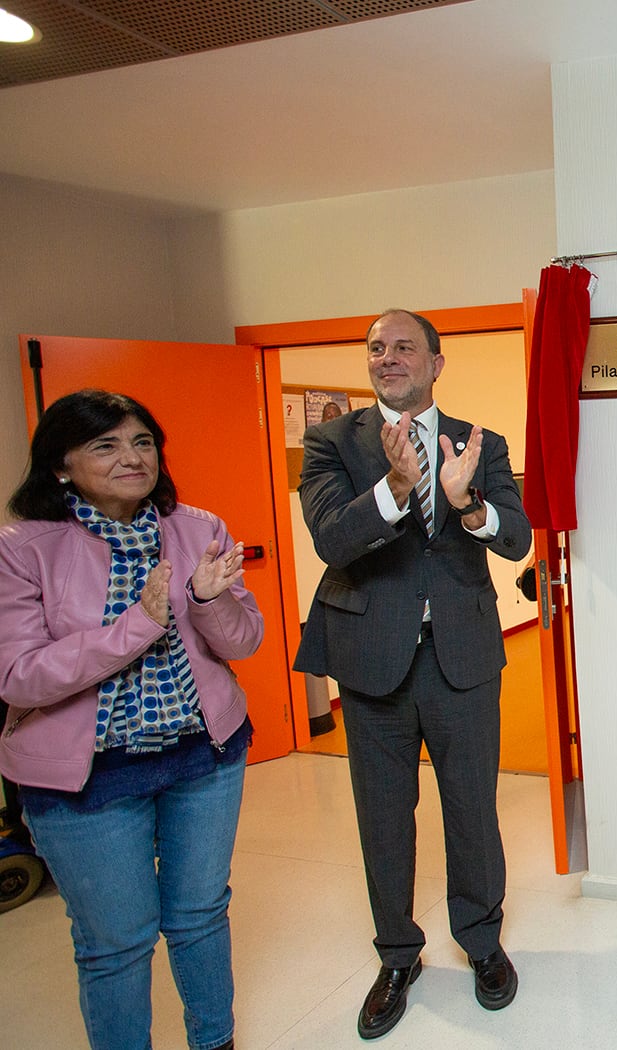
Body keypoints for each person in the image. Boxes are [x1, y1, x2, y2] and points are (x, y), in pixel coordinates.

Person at [294, 308, 531, 1040]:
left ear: (436, 362)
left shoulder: (478, 441)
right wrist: (396, 487)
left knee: (471, 807)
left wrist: (466, 502)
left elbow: (517, 538)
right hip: (372, 660)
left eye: (403, 348)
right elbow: (333, 538)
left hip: (460, 654)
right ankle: (397, 956)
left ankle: (482, 942)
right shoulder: (331, 441)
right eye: (376, 349)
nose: (387, 358)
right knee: (384, 818)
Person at [0, 390, 261, 1050]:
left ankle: (214, 1040)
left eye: (142, 442)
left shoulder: (198, 527)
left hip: (201, 759)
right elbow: (18, 676)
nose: (131, 457)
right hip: (86, 781)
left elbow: (243, 641)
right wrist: (137, 628)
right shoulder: (22, 548)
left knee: (200, 913)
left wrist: (205, 600)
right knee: (116, 943)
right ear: (60, 465)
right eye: (105, 445)